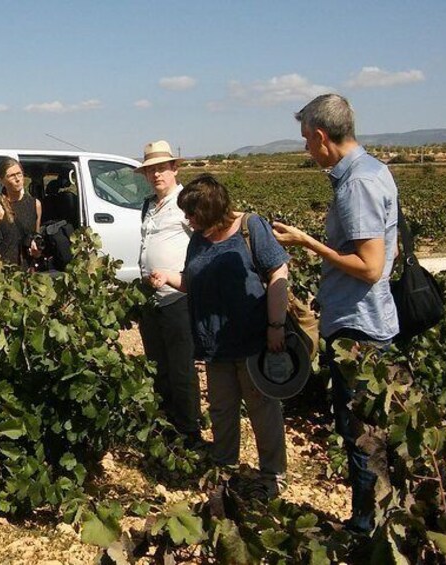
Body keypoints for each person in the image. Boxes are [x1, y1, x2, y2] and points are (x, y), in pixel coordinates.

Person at [272, 93, 399, 533]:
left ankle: (368, 528)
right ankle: (384, 520)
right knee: (372, 430)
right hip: (368, 318)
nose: (306, 149)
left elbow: (370, 266)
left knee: (361, 433)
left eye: (306, 139)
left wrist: (307, 243)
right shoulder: (374, 169)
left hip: (358, 328)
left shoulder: (357, 184)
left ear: (322, 137)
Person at [151, 174, 290, 499]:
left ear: (211, 210)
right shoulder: (199, 238)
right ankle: (225, 469)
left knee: (262, 411)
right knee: (222, 411)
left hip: (253, 341)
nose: (188, 220)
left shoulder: (250, 227)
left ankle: (272, 477)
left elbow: (278, 272)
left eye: (192, 213)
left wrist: (275, 326)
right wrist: (166, 277)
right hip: (215, 346)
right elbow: (191, 282)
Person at [136, 140, 203, 447]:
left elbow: (204, 243)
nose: (157, 175)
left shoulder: (186, 202)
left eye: (162, 168)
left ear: (175, 168)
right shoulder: (148, 205)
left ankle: (189, 432)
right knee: (157, 366)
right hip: (151, 299)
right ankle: (166, 425)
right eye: (151, 170)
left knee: (181, 369)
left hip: (178, 297)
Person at [0, 157, 42, 269]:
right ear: (1, 180)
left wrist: (36, 251)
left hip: (24, 275)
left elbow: (36, 238)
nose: (17, 179)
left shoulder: (35, 204)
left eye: (19, 174)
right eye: (11, 176)